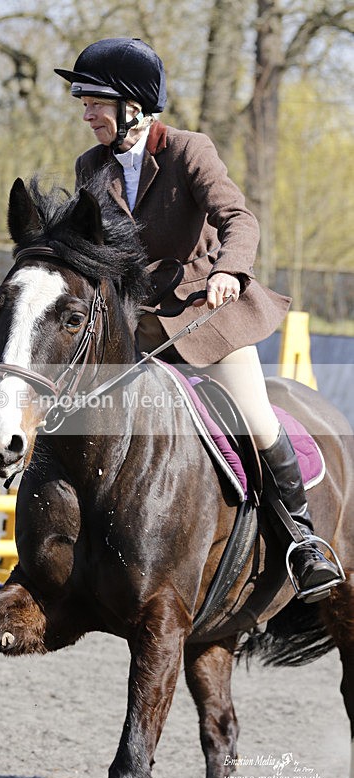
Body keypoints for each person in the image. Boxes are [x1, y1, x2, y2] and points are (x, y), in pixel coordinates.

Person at [55, 37, 343, 602]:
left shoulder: (190, 150)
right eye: (83, 103)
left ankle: (304, 542)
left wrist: (230, 271)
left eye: (95, 102)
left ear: (133, 105)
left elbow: (239, 217)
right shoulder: (91, 166)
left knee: (256, 422)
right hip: (136, 327)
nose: (86, 113)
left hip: (205, 318)